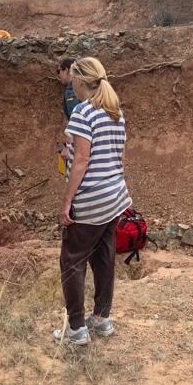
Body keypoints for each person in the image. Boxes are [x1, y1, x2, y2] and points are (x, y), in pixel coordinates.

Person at [54, 57, 132, 346]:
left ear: (80, 80)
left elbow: (82, 161)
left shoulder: (83, 112)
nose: (71, 83)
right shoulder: (115, 112)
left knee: (72, 261)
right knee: (103, 258)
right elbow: (119, 155)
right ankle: (102, 320)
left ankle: (75, 329)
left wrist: (66, 203)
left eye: (73, 78)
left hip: (91, 199)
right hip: (114, 196)